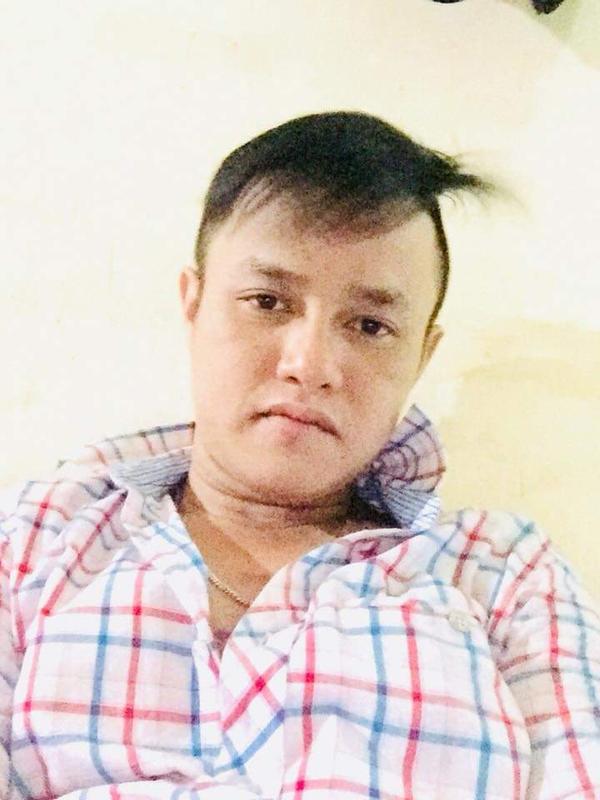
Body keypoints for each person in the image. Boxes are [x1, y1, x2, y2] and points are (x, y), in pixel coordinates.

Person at [1, 111, 598, 800]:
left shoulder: (505, 578)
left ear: (421, 356)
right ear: (194, 305)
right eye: (267, 301)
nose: (309, 364)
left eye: (370, 325)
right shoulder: (32, 541)